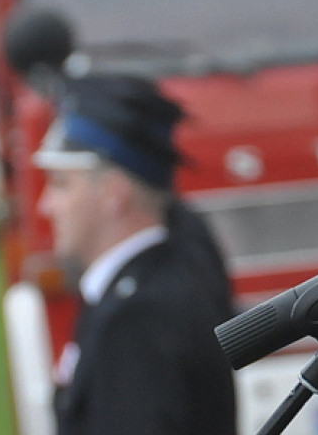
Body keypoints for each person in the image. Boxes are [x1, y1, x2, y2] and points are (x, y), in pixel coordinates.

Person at [35, 73, 237, 435]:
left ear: (114, 193)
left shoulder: (134, 321)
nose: (46, 205)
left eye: (61, 184)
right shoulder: (175, 268)